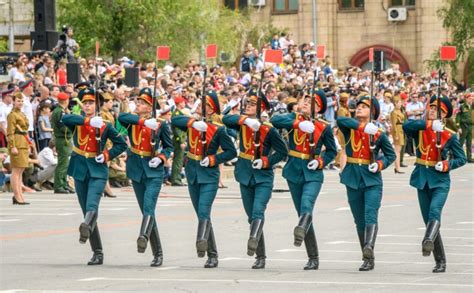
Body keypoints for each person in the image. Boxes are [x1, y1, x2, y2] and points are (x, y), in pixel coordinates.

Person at [271, 90, 336, 270]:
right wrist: (297, 124)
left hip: (312, 172)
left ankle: (301, 234)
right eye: (305, 99)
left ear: (320, 107)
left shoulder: (323, 126)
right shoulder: (293, 118)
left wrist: (321, 161)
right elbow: (275, 121)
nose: (306, 102)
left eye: (311, 101)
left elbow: (331, 150)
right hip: (293, 171)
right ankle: (313, 257)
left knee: (307, 206)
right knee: (302, 213)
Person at [171, 90, 236, 268]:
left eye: (206, 105)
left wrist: (214, 159)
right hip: (193, 173)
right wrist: (193, 122)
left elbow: (232, 151)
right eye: (201, 104)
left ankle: (201, 242)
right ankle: (212, 254)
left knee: (203, 211)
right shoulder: (192, 123)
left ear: (213, 108)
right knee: (202, 214)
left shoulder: (219, 129)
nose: (201, 107)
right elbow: (174, 120)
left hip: (209, 175)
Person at [62, 87, 127, 265]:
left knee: (92, 205)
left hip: (97, 169)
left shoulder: (105, 124)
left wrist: (106, 155)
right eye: (86, 103)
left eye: (91, 103)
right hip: (80, 168)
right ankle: (97, 252)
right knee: (86, 210)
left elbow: (121, 144)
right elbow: (64, 118)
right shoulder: (78, 121)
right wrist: (88, 121)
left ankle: (86, 230)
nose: (88, 106)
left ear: (97, 105)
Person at [223, 93, 287, 269]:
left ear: (262, 108)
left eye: (253, 104)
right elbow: (226, 119)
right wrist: (245, 121)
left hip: (263, 176)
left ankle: (253, 239)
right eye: (247, 103)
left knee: (258, 211)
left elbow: (283, 152)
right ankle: (260, 256)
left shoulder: (269, 129)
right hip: (245, 173)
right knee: (251, 217)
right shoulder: (242, 124)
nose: (248, 106)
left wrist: (266, 161)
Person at [403, 95, 467, 273]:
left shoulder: (449, 135)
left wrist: (447, 164)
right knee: (429, 221)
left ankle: (427, 242)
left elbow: (461, 158)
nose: (432, 110)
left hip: (440, 180)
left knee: (434, 213)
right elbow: (406, 125)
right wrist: (430, 125)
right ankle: (440, 261)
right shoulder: (421, 128)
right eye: (431, 107)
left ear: (444, 115)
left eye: (437, 109)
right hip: (422, 179)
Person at [336, 95, 396, 271]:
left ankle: (368, 248)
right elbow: (341, 120)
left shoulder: (378, 134)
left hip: (372, 179)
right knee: (359, 220)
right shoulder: (350, 127)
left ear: (373, 112)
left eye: (365, 106)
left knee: (370, 214)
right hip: (352, 178)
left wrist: (379, 164)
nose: (360, 108)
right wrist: (363, 126)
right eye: (359, 106)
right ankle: (367, 256)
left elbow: (390, 155)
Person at [118, 88, 173, 267]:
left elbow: (169, 147)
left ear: (150, 107)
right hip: (136, 170)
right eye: (138, 102)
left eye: (142, 103)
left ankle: (143, 236)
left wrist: (160, 158)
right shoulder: (133, 120)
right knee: (146, 212)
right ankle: (158, 253)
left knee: (149, 206)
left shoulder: (160, 124)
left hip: (153, 171)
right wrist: (143, 122)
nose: (138, 105)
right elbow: (121, 118)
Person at [7, 92, 32, 205]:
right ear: (13, 102)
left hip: (23, 142)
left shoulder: (21, 114)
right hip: (17, 142)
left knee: (21, 170)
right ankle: (17, 196)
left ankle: (19, 195)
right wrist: (12, 146)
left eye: (22, 101)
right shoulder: (12, 115)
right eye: (18, 101)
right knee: (16, 171)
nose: (20, 103)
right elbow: (10, 132)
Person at [51, 92, 74, 194]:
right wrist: (73, 129)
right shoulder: (59, 112)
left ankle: (64, 184)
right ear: (66, 101)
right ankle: (59, 185)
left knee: (65, 163)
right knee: (63, 163)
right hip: (63, 138)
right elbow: (63, 127)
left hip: (65, 139)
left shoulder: (62, 111)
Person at [170, 96, 187, 186]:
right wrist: (181, 141)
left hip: (180, 139)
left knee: (179, 160)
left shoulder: (179, 113)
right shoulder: (177, 114)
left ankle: (177, 178)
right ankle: (175, 179)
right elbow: (177, 130)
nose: (184, 103)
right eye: (183, 102)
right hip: (178, 140)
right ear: (180, 103)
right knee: (178, 160)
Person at [390, 95, 406, 173]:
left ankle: (398, 167)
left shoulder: (400, 111)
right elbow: (393, 124)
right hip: (397, 130)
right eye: (399, 102)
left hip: (401, 130)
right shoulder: (394, 112)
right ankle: (397, 167)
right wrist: (395, 134)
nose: (400, 104)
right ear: (395, 103)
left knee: (399, 150)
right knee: (397, 150)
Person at [457, 93, 473, 162]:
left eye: (472, 98)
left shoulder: (472, 106)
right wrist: (458, 127)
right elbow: (458, 117)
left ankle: (469, 158)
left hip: (471, 126)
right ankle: (457, 156)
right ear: (466, 99)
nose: (471, 99)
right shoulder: (462, 106)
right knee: (461, 142)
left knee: (469, 143)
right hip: (464, 126)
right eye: (469, 98)